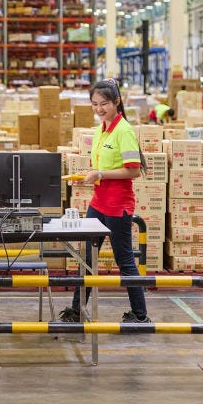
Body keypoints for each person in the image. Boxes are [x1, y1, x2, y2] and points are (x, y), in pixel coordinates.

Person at [59, 79, 151, 324]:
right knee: (86, 259)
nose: (99, 109)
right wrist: (86, 177)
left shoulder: (124, 132)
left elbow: (133, 171)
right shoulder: (101, 129)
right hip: (98, 204)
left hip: (117, 207)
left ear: (117, 102)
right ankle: (77, 311)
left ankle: (140, 315)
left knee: (125, 260)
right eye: (95, 104)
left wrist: (100, 174)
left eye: (104, 104)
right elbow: (101, 167)